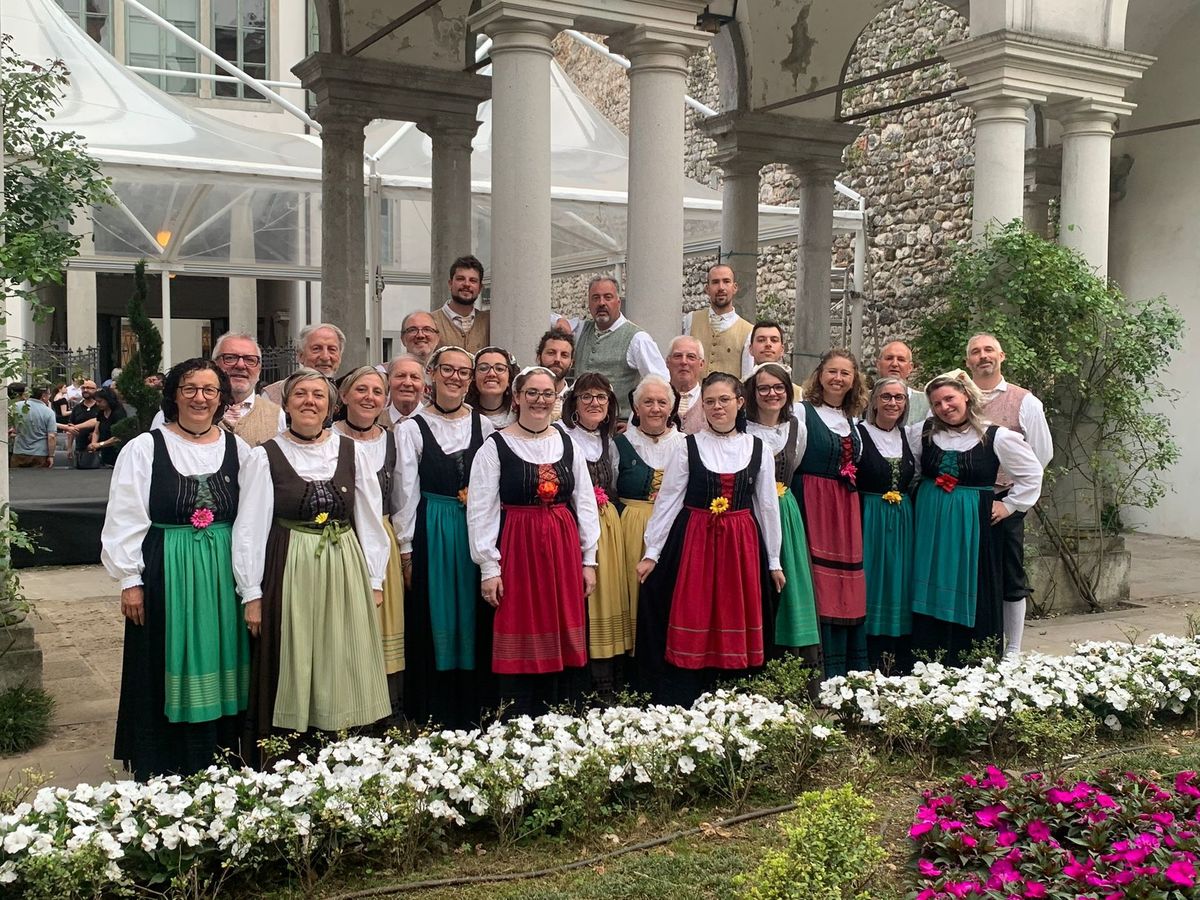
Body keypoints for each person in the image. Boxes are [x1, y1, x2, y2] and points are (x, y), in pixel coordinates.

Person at [102, 358, 251, 778]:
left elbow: (253, 518)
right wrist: (130, 579)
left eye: (209, 390)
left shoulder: (239, 449)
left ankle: (222, 756)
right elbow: (125, 515)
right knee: (164, 657)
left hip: (224, 570)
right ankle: (167, 761)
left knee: (224, 653)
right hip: (167, 568)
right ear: (174, 395)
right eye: (190, 388)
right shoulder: (146, 447)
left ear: (222, 398)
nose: (200, 398)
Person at [234, 368, 392, 758]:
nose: (310, 401)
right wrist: (251, 593)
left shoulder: (352, 452)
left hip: (345, 565)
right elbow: (250, 528)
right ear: (285, 404)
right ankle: (295, 748)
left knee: (344, 650)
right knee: (296, 648)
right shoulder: (264, 455)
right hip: (290, 564)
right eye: (301, 394)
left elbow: (371, 519)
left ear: (331, 406)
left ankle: (347, 746)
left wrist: (374, 578)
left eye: (319, 395)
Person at [635, 372, 784, 706]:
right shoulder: (688, 447)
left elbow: (767, 506)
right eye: (710, 401)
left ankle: (734, 695)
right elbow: (669, 499)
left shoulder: (758, 447)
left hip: (741, 544)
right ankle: (687, 694)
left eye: (724, 400)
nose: (717, 407)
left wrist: (773, 560)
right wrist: (653, 552)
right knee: (694, 608)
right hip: (696, 542)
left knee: (736, 610)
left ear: (740, 403)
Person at [466, 366, 600, 717]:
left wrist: (589, 560)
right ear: (517, 397)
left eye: (547, 394)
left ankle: (562, 713)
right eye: (532, 393)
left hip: (562, 548)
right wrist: (488, 568)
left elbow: (584, 502)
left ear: (556, 399)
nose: (540, 400)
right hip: (516, 548)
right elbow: (481, 509)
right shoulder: (495, 446)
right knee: (519, 621)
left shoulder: (567, 442)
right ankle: (518, 714)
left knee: (562, 621)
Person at [907, 371, 1043, 665]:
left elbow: (1032, 473)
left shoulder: (996, 435)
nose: (944, 407)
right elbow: (913, 469)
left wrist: (1009, 506)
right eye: (937, 402)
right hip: (931, 522)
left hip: (974, 526)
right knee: (930, 577)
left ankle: (970, 655)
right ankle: (929, 653)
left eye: (949, 398)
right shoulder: (923, 432)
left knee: (974, 582)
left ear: (965, 395)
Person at [395, 347, 496, 726]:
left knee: (474, 609)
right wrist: (406, 550)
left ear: (470, 380)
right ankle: (434, 710)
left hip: (474, 527)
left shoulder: (484, 427)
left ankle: (474, 706)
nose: (455, 377)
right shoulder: (411, 429)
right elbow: (406, 492)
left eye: (463, 372)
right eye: (447, 370)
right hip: (432, 528)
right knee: (433, 608)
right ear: (432, 375)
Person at [965, 332, 1052, 656]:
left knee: (1010, 576)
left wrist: (1013, 501)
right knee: (970, 575)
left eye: (989, 350)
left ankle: (1012, 651)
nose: (983, 356)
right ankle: (975, 646)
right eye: (976, 351)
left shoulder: (1024, 400)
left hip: (1004, 503)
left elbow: (1040, 456)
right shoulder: (958, 396)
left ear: (1002, 357)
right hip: (963, 501)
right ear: (968, 361)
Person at [333, 366, 405, 722]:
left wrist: (404, 552)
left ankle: (385, 708)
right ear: (344, 396)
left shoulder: (394, 440)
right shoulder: (327, 438)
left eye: (377, 392)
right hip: (339, 540)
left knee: (384, 622)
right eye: (361, 389)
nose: (369, 397)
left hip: (383, 537)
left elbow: (405, 498)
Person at [792, 349, 869, 677]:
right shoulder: (801, 412)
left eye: (845, 374)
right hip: (811, 499)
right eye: (832, 372)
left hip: (844, 508)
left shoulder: (854, 421)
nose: (838, 379)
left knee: (844, 585)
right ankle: (814, 666)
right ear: (820, 375)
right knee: (814, 581)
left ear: (854, 381)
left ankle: (844, 667)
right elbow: (792, 459)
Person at [743, 364, 821, 678]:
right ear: (753, 393)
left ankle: (790, 669)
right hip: (748, 511)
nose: (772, 393)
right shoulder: (742, 429)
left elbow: (795, 462)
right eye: (764, 388)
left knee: (789, 587)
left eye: (779, 387)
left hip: (784, 510)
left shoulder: (795, 428)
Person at [561, 373, 633, 699]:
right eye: (587, 396)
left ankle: (607, 680)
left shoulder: (610, 443)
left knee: (606, 598)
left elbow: (614, 481)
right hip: (571, 525)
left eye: (601, 398)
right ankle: (578, 678)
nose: (594, 403)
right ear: (574, 403)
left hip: (608, 526)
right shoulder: (562, 436)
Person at [614, 375, 685, 646]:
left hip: (673, 529)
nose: (655, 408)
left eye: (661, 402)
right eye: (648, 402)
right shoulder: (619, 443)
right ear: (636, 408)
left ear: (671, 408)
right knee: (632, 589)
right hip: (630, 528)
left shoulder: (685, 444)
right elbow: (610, 485)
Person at [857, 376, 917, 672]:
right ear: (874, 400)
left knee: (899, 582)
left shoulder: (910, 437)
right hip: (868, 517)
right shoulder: (858, 435)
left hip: (903, 521)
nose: (893, 403)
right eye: (886, 397)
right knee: (871, 580)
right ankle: (868, 656)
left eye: (899, 398)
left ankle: (897, 658)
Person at [153, 333, 285, 446]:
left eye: (250, 360)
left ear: (259, 368)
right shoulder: (174, 413)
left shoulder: (276, 415)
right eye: (230, 358)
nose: (240, 365)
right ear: (214, 364)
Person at [573, 276, 667, 415]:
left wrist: (634, 421)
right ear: (589, 304)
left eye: (608, 297)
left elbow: (661, 383)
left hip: (616, 428)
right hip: (579, 425)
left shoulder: (638, 338)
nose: (601, 303)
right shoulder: (580, 330)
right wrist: (560, 320)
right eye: (596, 298)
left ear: (618, 302)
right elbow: (548, 318)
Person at [682, 264, 753, 378]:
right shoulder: (691, 320)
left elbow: (747, 376)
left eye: (726, 281)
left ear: (734, 287)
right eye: (715, 282)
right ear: (707, 289)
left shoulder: (748, 331)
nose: (721, 287)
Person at [261, 323, 345, 405]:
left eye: (332, 349)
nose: (325, 357)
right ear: (300, 355)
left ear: (340, 357)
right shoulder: (273, 395)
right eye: (316, 349)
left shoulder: (348, 393)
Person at [435, 255, 491, 353]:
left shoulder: (490, 321)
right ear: (450, 283)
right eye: (460, 279)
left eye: (473, 280)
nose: (466, 284)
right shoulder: (431, 321)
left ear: (480, 288)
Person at [746, 321, 802, 399]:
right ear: (750, 349)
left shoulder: (799, 394)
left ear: (782, 350)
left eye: (774, 340)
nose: (768, 344)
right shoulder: (739, 389)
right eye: (761, 340)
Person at [876, 340, 929, 421]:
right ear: (878, 364)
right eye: (889, 358)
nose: (894, 364)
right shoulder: (863, 400)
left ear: (910, 367)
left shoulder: (927, 402)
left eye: (901, 359)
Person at [467, 346, 518, 429]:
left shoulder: (521, 417)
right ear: (473, 377)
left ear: (509, 379)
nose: (491, 374)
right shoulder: (463, 417)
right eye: (483, 368)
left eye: (499, 369)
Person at [11, 385, 58, 468]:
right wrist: (51, 456)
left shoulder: (15, 407)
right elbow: (51, 436)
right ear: (43, 396)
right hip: (39, 454)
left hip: (19, 452)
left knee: (17, 479)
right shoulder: (48, 412)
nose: (49, 397)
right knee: (37, 480)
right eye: (49, 394)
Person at [666, 335, 706, 433]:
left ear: (701, 364)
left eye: (691, 357)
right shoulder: (652, 396)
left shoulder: (710, 400)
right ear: (667, 362)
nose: (683, 362)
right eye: (678, 356)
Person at [536, 330, 575, 421]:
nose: (557, 359)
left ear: (571, 363)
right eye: (551, 353)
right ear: (538, 358)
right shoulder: (525, 397)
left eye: (564, 355)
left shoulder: (576, 401)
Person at [87, 387, 128, 467]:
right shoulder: (101, 412)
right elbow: (96, 431)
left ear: (108, 400)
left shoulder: (118, 413)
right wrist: (93, 444)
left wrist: (100, 444)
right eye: (96, 401)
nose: (97, 404)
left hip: (116, 453)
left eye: (100, 401)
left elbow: (117, 437)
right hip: (104, 453)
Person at [62, 378, 99, 463]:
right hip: (80, 449)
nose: (86, 390)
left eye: (89, 388)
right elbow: (70, 428)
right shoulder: (77, 408)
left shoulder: (100, 407)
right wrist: (69, 448)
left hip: (98, 449)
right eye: (83, 388)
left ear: (96, 390)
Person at [384, 354, 426, 425]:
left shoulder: (435, 422)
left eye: (414, 377)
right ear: (388, 381)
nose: (407, 383)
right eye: (400, 376)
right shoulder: (374, 420)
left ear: (423, 385)